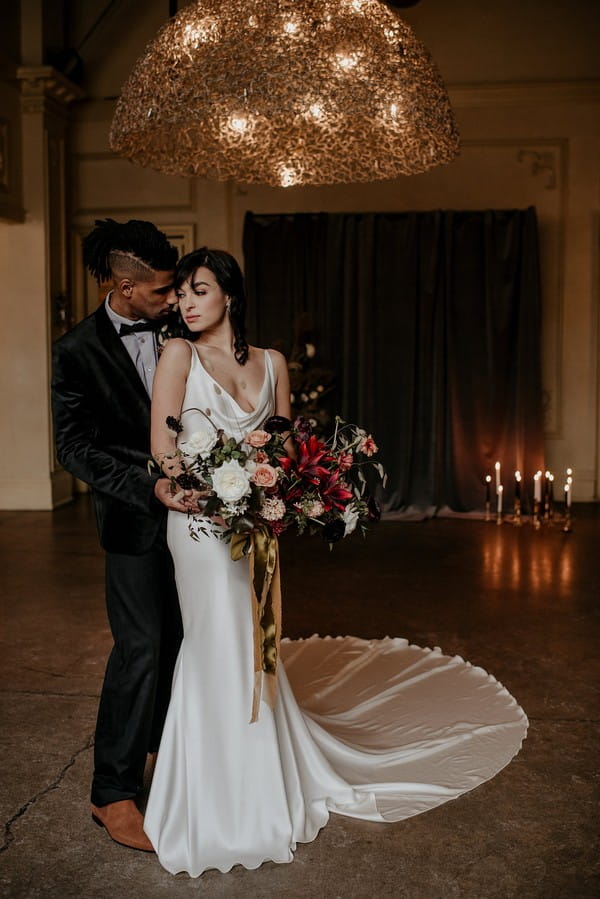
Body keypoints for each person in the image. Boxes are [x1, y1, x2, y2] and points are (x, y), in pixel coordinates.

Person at [144, 248, 529, 877]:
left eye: (200, 290)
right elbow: (163, 446)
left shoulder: (270, 363)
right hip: (198, 523)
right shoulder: (178, 355)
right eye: (181, 293)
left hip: (256, 523)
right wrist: (182, 487)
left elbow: (286, 446)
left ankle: (261, 772)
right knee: (215, 640)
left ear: (230, 297)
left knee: (250, 638)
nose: (186, 303)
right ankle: (219, 793)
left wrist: (284, 494)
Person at [51, 219, 198, 852]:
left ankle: (167, 750)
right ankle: (111, 791)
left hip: (199, 517)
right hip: (133, 517)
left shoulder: (182, 326)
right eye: (163, 291)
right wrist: (147, 486)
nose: (174, 299)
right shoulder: (75, 349)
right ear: (123, 285)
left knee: (181, 637)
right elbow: (73, 447)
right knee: (139, 645)